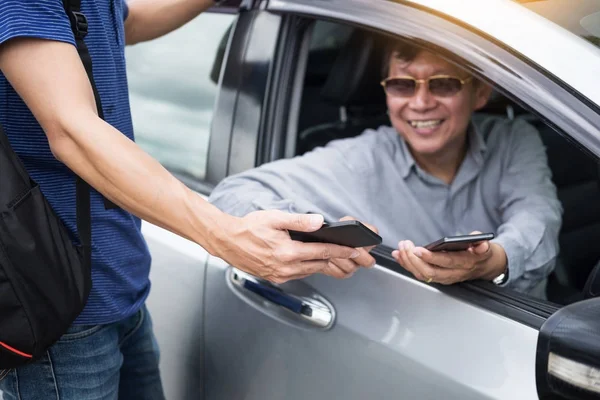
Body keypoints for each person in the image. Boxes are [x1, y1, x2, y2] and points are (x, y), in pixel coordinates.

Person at [0, 1, 372, 398]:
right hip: (62, 313)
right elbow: (73, 131)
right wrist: (223, 233)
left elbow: (126, 23)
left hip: (121, 290)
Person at [210, 39, 562, 296]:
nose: (421, 103)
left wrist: (494, 261)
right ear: (387, 94)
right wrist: (314, 227)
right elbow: (231, 194)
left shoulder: (513, 138)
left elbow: (538, 217)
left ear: (481, 93)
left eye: (442, 84)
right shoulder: (359, 158)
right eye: (402, 85)